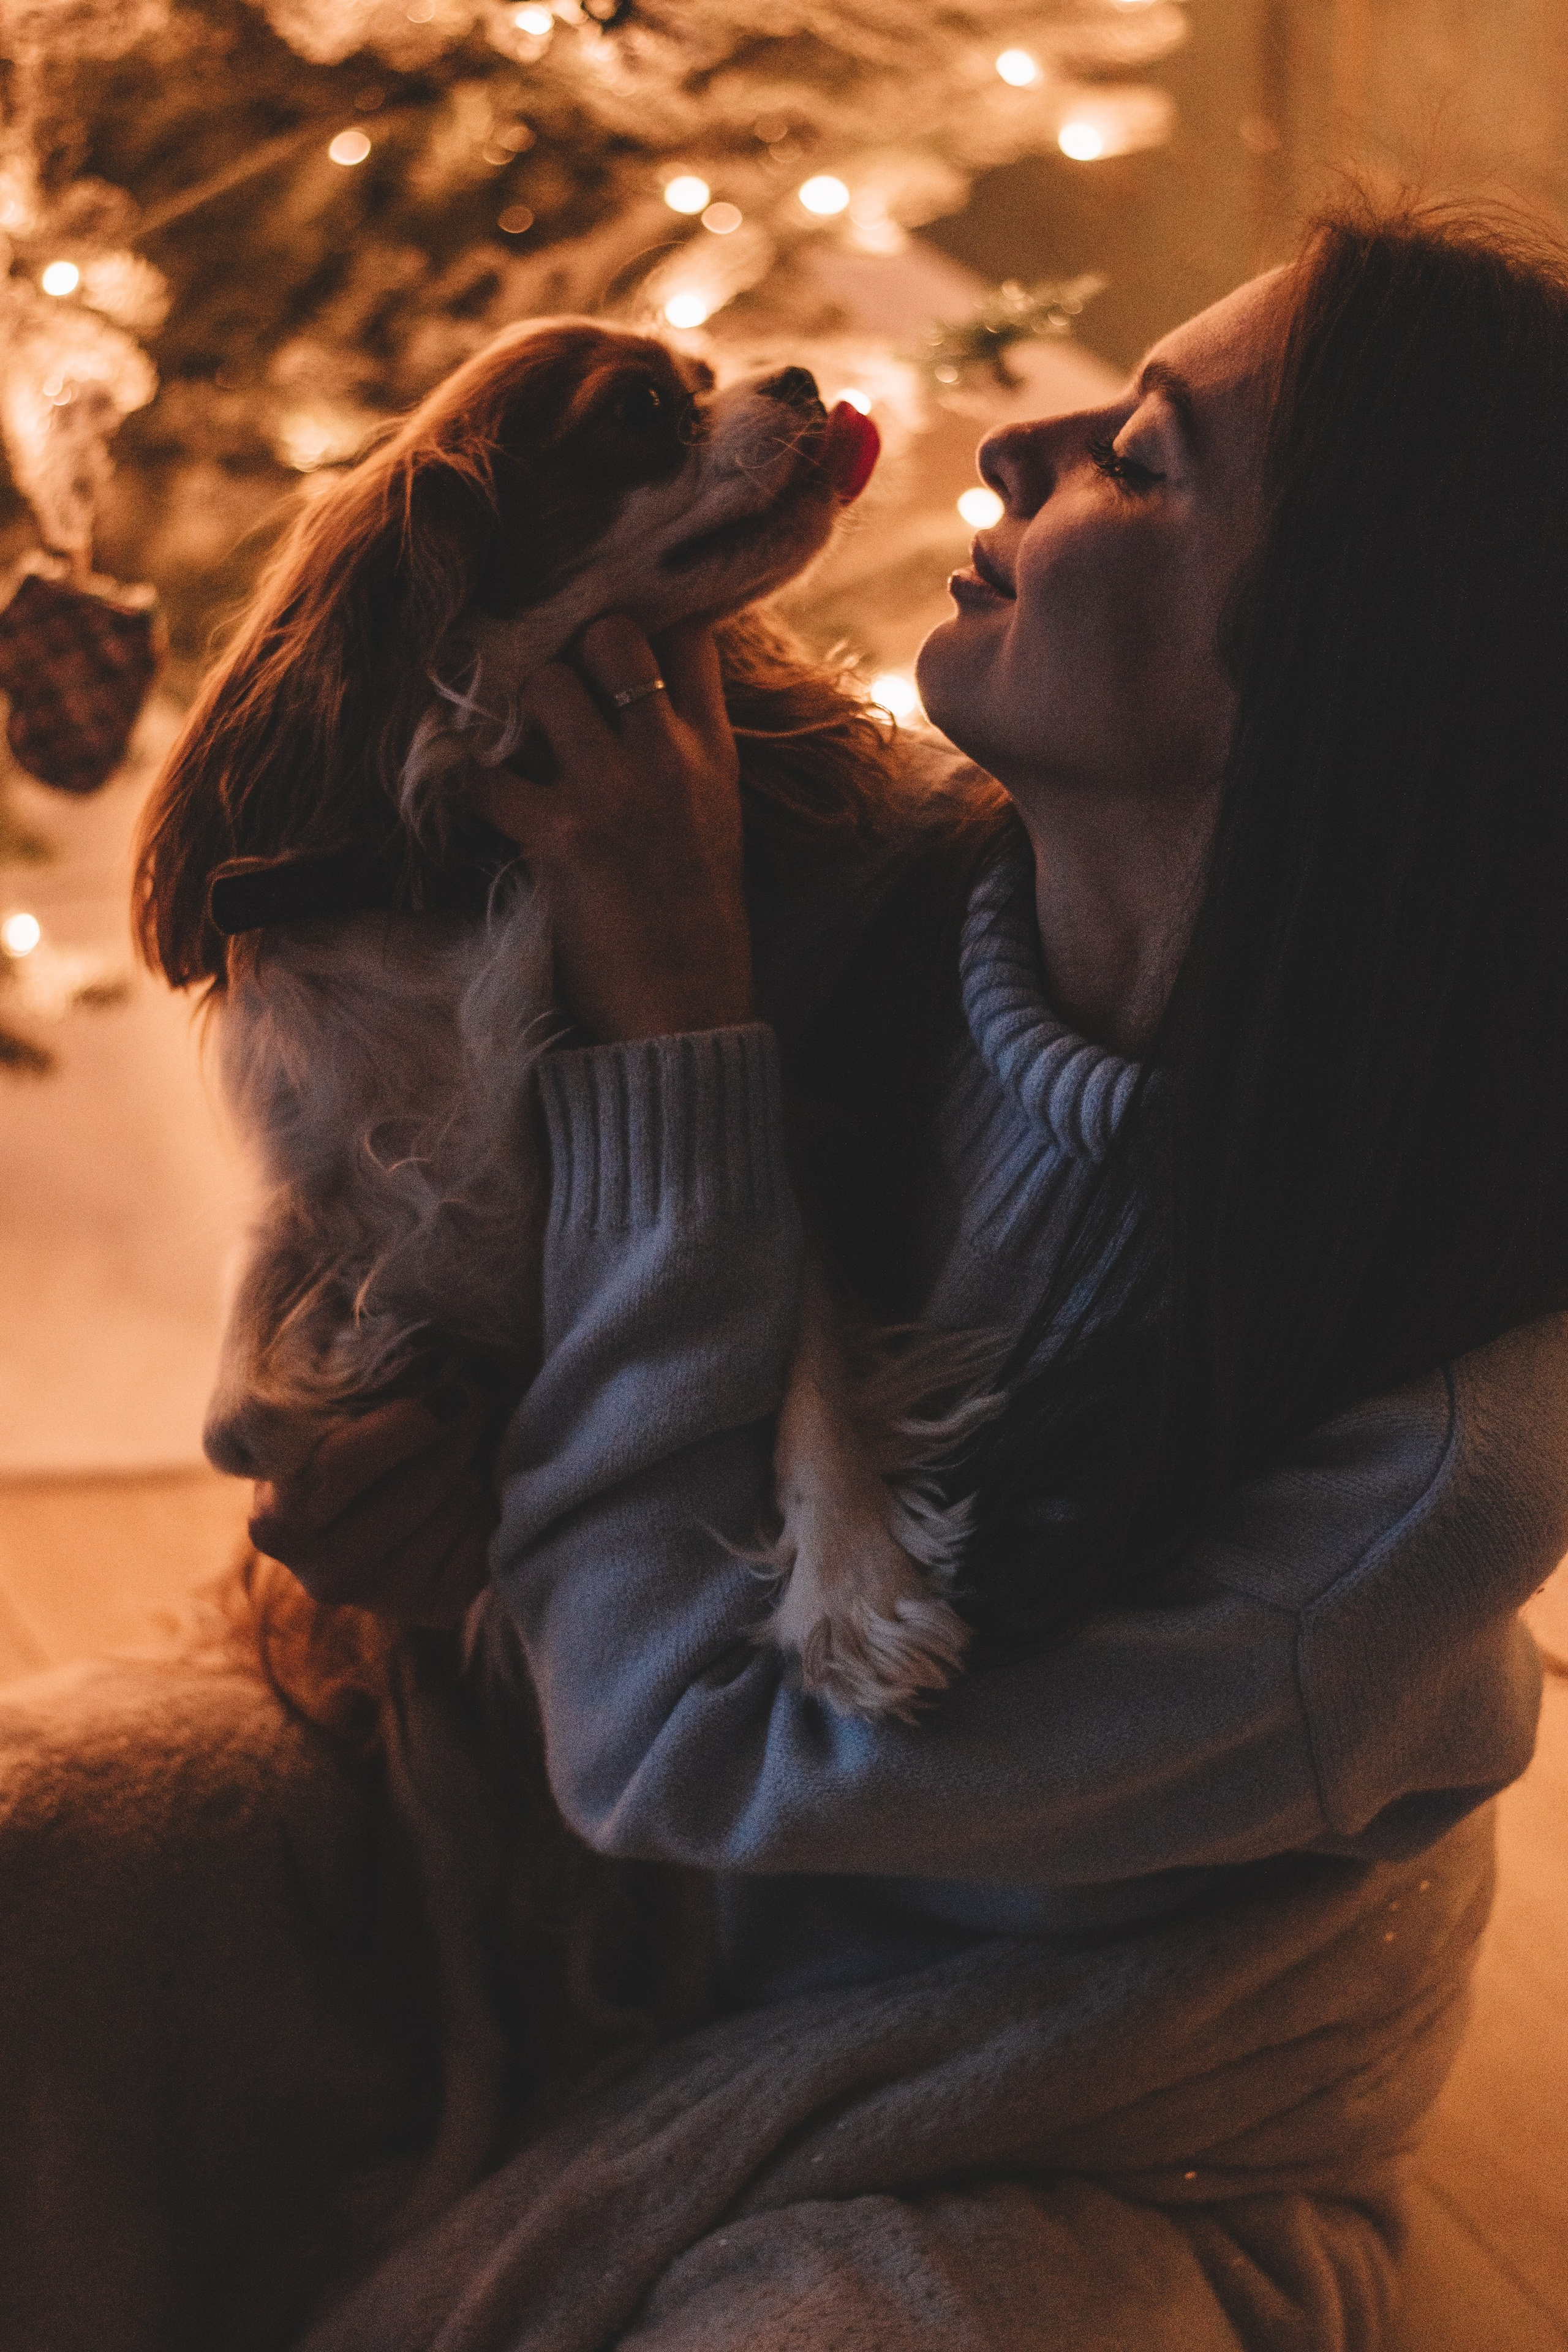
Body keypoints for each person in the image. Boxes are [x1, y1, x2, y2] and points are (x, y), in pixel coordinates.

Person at [206, 205, 1568, 2343]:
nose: (1014, 438)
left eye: (1142, 451)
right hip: (600, 1923)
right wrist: (384, 1473)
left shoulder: (1431, 1471)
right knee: (40, 1865)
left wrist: (679, 1026)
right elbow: (373, 1209)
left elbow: (685, 1750)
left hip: (1055, 2097)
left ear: (1348, 660)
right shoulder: (845, 867)